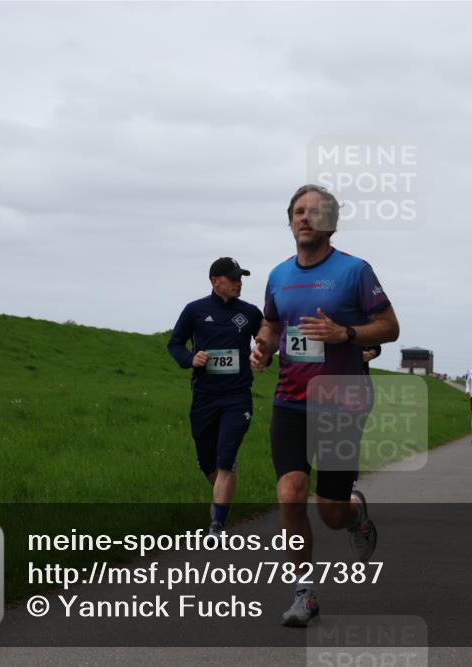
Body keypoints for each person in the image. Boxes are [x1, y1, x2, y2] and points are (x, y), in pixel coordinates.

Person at [250, 184, 399, 628]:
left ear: (330, 223)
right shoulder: (278, 276)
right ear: (290, 219)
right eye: (298, 211)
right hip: (290, 400)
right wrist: (262, 346)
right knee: (290, 496)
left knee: (331, 513)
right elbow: (273, 323)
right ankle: (304, 594)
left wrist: (346, 335)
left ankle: (355, 517)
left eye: (315, 212)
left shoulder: (354, 271)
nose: (305, 218)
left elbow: (390, 326)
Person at [167, 257, 263, 537]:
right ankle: (224, 490)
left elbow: (264, 341)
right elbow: (174, 344)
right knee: (208, 462)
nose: (239, 283)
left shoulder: (250, 313)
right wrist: (189, 357)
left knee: (225, 458)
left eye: (241, 278)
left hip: (237, 397)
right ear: (214, 281)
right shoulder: (195, 311)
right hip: (204, 397)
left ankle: (217, 525)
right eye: (233, 278)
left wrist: (262, 354)